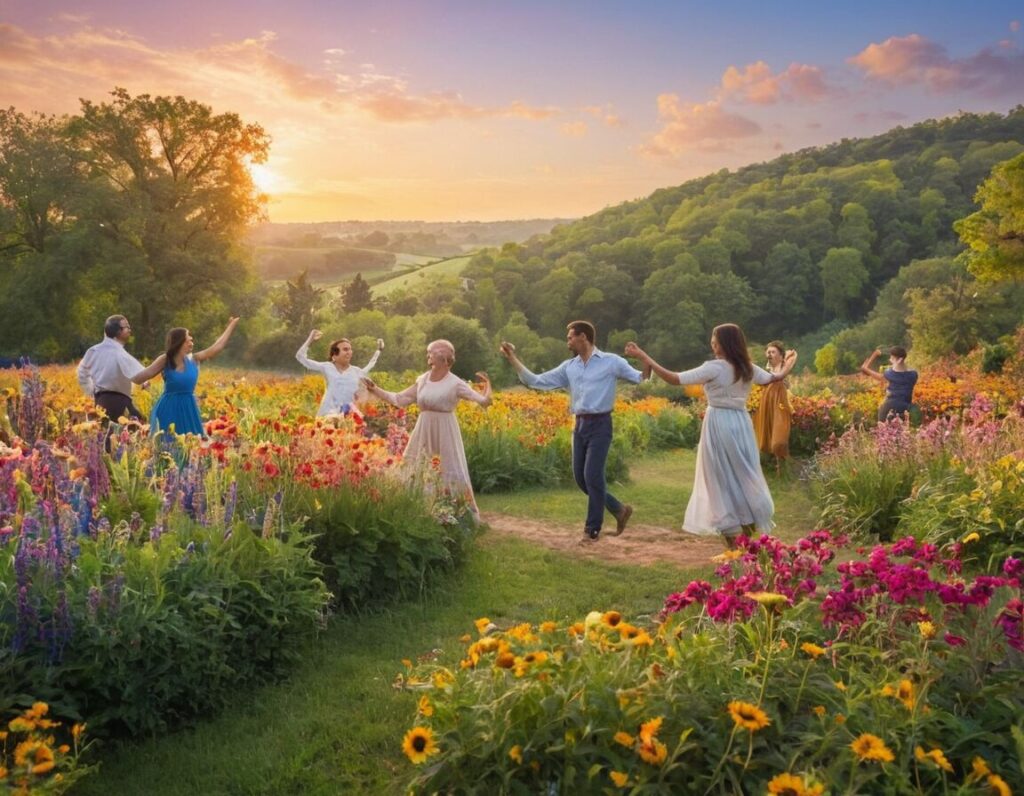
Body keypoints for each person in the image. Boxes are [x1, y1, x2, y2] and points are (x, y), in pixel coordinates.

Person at [625, 324, 796, 548]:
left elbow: (674, 379)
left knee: (719, 478)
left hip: (719, 423)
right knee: (744, 473)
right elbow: (774, 378)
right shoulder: (747, 367)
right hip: (742, 424)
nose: (712, 343)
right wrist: (790, 364)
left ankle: (734, 539)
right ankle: (747, 528)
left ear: (724, 343)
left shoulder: (714, 368)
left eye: (715, 339)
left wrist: (645, 356)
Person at [500, 321, 643, 544]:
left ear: (583, 337)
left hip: (601, 424)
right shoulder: (570, 367)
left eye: (570, 337)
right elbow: (535, 381)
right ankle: (619, 509)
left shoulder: (611, 362)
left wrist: (642, 357)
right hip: (580, 426)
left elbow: (642, 377)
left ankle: (591, 529)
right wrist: (512, 358)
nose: (567, 341)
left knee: (592, 476)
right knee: (581, 479)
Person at [363, 340, 491, 520]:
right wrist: (375, 389)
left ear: (443, 358)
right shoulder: (423, 380)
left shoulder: (455, 383)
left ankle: (456, 515)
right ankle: (417, 512)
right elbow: (400, 399)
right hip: (424, 428)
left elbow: (483, 401)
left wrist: (487, 387)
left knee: (449, 466)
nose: (428, 356)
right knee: (416, 466)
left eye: (430, 353)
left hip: (446, 430)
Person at [150, 317, 240, 437]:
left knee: (191, 444)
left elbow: (216, 347)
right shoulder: (166, 360)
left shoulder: (194, 358)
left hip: (189, 409)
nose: (192, 343)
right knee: (168, 444)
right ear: (180, 342)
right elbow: (144, 374)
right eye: (189, 340)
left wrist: (231, 326)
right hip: (168, 408)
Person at [77, 315, 166, 424]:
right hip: (118, 402)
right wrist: (147, 379)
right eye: (127, 327)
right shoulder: (119, 353)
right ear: (118, 331)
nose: (130, 330)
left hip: (100, 401)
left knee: (105, 432)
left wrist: (92, 391)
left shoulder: (93, 351)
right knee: (126, 432)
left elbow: (82, 372)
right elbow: (137, 373)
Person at [295, 330, 384, 416]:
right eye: (345, 349)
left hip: (348, 415)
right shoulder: (327, 367)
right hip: (328, 415)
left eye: (350, 349)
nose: (349, 352)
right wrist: (310, 339)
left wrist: (379, 350)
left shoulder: (356, 371)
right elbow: (300, 357)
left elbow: (370, 364)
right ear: (334, 355)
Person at [752, 341, 797, 468]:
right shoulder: (767, 371)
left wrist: (787, 356)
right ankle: (774, 466)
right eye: (768, 352)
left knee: (779, 435)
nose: (769, 354)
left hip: (780, 402)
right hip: (767, 403)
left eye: (773, 352)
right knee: (766, 431)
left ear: (781, 355)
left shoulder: (784, 366)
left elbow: (781, 375)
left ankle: (782, 465)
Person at [860, 346, 918, 422]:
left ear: (900, 360)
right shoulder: (913, 374)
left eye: (892, 358)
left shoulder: (890, 374)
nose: (890, 360)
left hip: (888, 408)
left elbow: (880, 376)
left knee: (884, 430)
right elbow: (903, 373)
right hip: (906, 409)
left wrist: (867, 367)